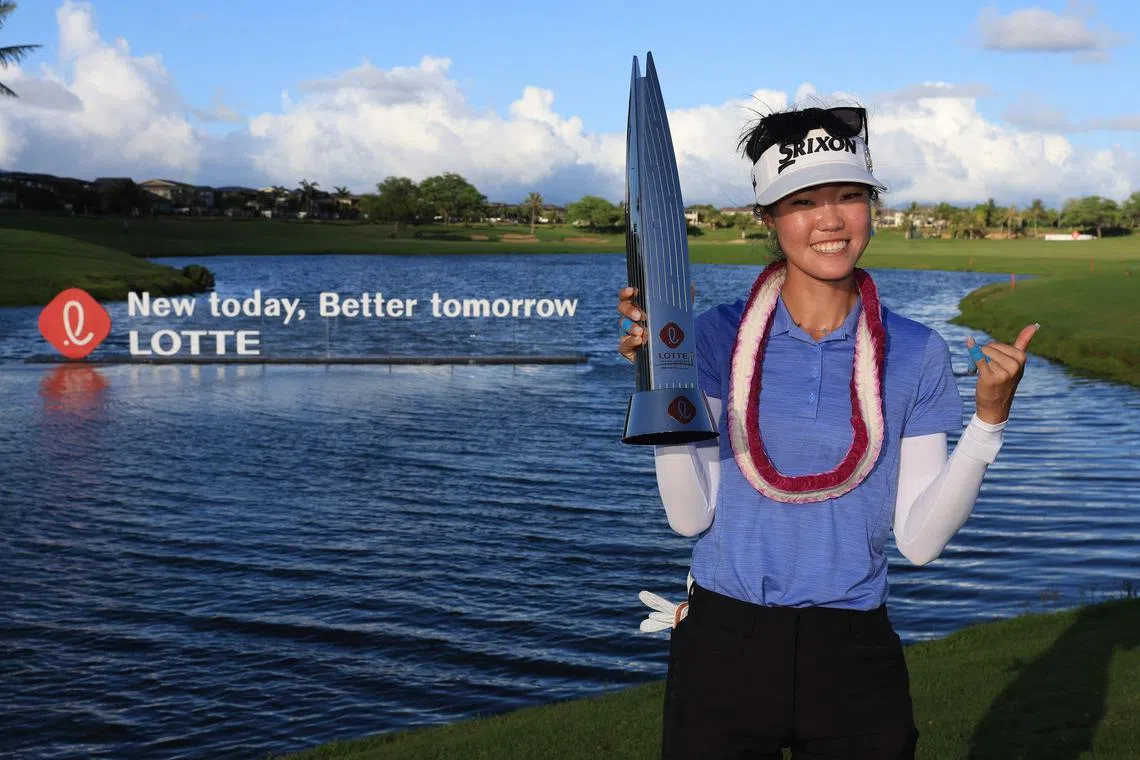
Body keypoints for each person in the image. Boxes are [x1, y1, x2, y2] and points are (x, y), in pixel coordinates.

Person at [615, 105, 1039, 759]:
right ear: (768, 218)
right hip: (723, 647)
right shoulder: (712, 339)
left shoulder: (915, 351)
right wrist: (660, 379)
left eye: (850, 195)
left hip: (854, 656)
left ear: (873, 205)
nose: (831, 220)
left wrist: (988, 423)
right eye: (804, 201)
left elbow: (920, 542)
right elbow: (687, 513)